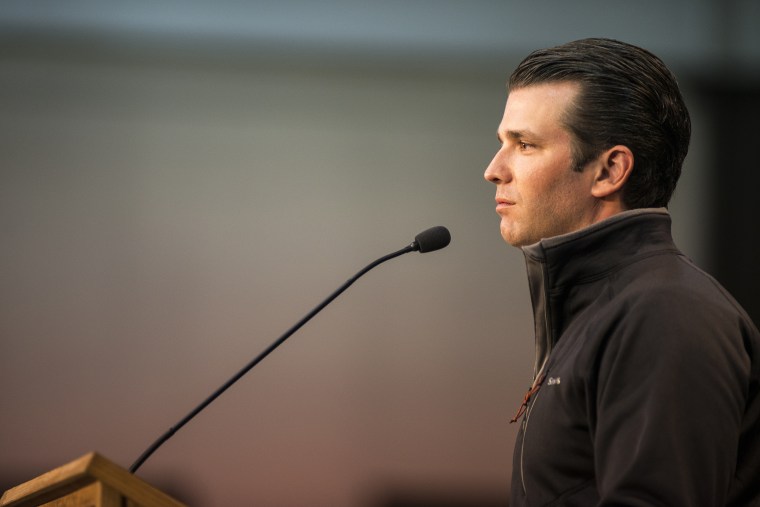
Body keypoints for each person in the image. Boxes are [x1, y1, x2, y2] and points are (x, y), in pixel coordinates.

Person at [483, 38, 760, 506]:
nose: (494, 170)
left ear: (610, 171)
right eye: (501, 144)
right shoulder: (609, 307)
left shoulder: (665, 313)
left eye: (525, 145)